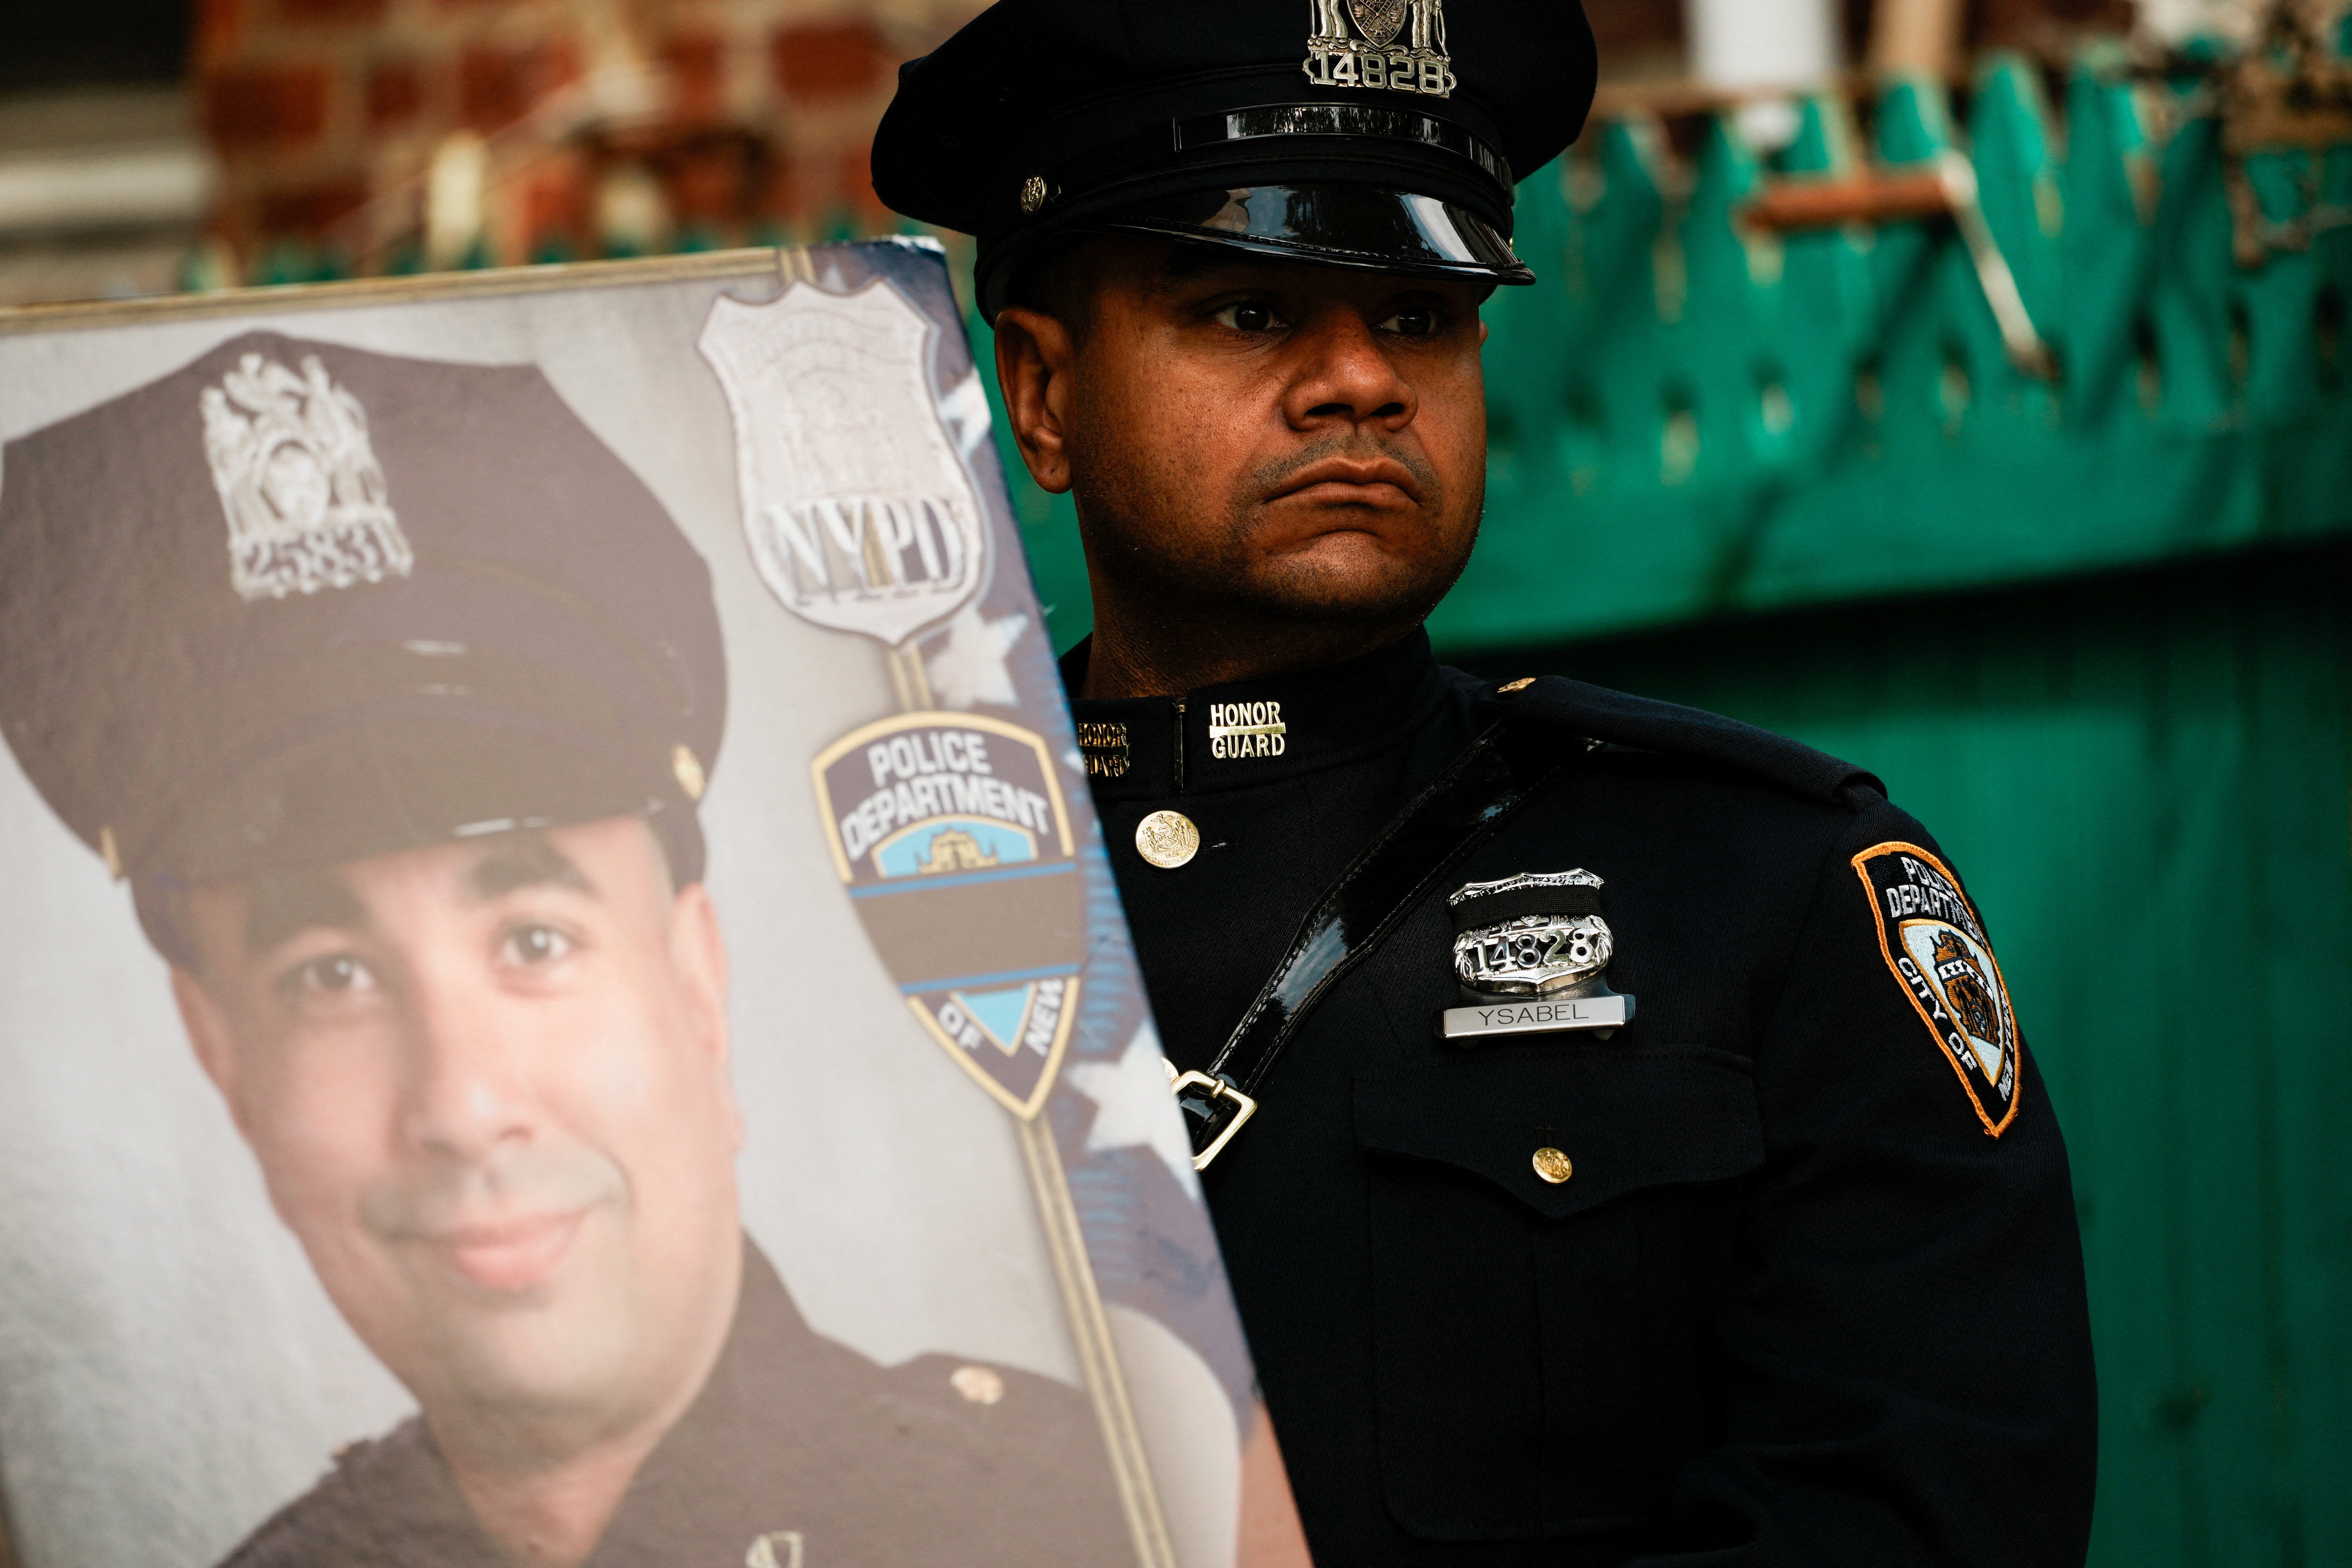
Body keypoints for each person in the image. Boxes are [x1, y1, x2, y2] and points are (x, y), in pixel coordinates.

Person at [873, 1, 2100, 1564]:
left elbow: (1932, 1512)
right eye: (1249, 314)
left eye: (1418, 316)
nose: (1357, 385)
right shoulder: (850, 908)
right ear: (1042, 398)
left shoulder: (1759, 896)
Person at [0, 332, 1131, 1568]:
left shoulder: (1083, 1510)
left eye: (535, 941)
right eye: (330, 975)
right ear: (221, 1057)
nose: (464, 1104)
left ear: (697, 984)